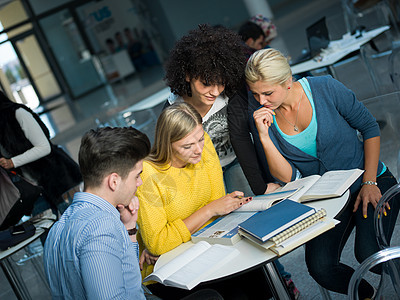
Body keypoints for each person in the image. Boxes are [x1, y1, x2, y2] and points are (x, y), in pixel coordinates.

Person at [245, 48, 400, 299]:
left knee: (369, 251)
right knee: (321, 268)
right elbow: (289, 177)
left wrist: (370, 181)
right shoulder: (264, 117)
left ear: (287, 82)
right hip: (326, 199)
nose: (261, 100)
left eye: (267, 92)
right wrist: (263, 136)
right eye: (255, 94)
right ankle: (366, 295)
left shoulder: (325, 88)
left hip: (370, 181)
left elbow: (370, 128)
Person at [43, 127, 222, 300]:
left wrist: (129, 229)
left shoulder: (58, 228)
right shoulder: (101, 228)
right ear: (114, 181)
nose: (140, 182)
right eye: (137, 175)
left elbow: (125, 282)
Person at [136, 103, 276, 300]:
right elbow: (159, 244)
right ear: (167, 143)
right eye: (187, 146)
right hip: (169, 267)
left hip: (205, 246)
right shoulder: (147, 174)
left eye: (200, 139)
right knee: (237, 293)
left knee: (261, 281)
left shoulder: (204, 144)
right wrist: (209, 211)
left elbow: (219, 207)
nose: (198, 150)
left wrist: (214, 211)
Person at [163, 24, 251, 195]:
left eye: (221, 83)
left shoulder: (230, 94)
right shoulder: (173, 109)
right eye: (206, 84)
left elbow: (244, 137)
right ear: (187, 75)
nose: (216, 91)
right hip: (201, 173)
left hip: (237, 162)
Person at [0, 91, 82, 216]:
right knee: (46, 232)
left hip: (57, 178)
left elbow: (44, 147)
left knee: (77, 222)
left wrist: (12, 162)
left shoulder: (17, 113)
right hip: (32, 189)